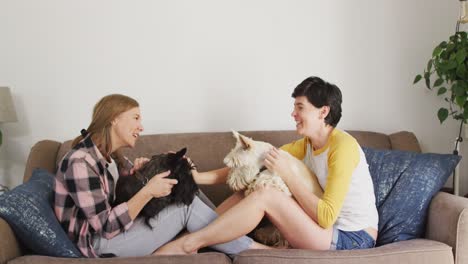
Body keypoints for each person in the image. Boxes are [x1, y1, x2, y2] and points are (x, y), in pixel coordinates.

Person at [154, 76, 378, 254]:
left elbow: (327, 216)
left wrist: (288, 175)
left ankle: (190, 244)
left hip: (353, 238)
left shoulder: (343, 147)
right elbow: (251, 163)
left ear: (323, 111)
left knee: (267, 194)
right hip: (324, 231)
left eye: (300, 107)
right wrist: (196, 177)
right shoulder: (307, 145)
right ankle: (185, 237)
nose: (293, 113)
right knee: (250, 188)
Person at [53, 94, 269, 258]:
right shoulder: (81, 162)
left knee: (187, 192)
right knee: (186, 206)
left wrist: (134, 173)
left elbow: (117, 193)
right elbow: (106, 226)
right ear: (113, 119)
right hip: (98, 245)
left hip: (113, 234)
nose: (141, 126)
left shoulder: (109, 157)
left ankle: (231, 238)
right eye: (135, 118)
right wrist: (148, 191)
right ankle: (256, 253)